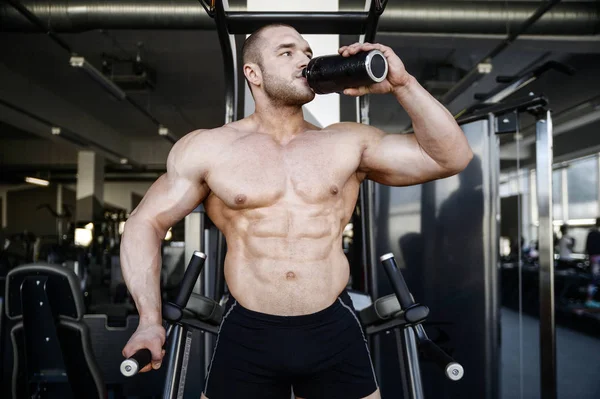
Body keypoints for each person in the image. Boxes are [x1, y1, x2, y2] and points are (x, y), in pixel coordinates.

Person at [120, 24, 473, 399]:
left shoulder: (346, 141)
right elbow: (145, 223)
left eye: (306, 52)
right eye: (287, 52)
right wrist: (149, 320)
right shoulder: (210, 148)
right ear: (252, 73)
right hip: (249, 333)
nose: (304, 60)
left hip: (332, 329)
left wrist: (403, 84)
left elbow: (451, 157)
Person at [585, 218, 600, 308]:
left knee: (594, 279)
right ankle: (589, 299)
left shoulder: (591, 233)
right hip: (596, 259)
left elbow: (587, 247)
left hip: (594, 258)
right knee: (594, 280)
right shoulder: (596, 234)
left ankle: (590, 299)